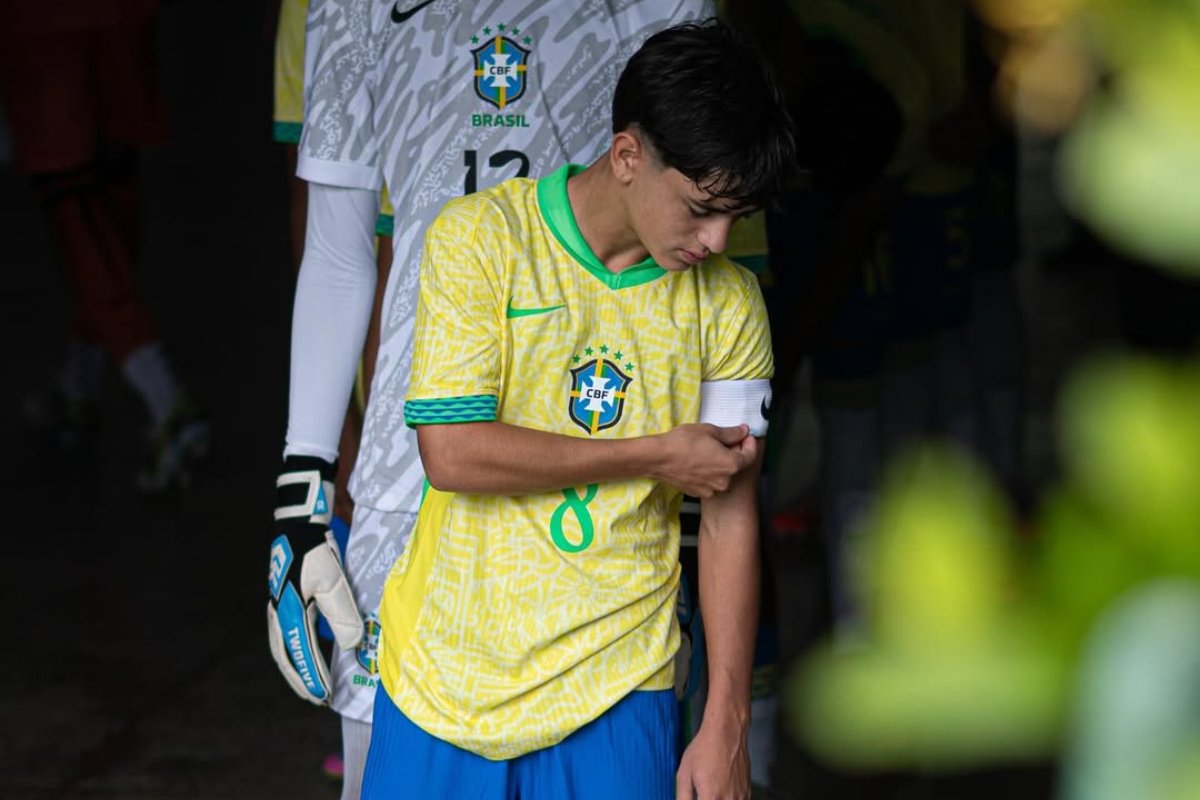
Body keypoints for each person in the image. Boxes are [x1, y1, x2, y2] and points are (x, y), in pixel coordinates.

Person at [265, 2, 715, 797]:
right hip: (411, 469)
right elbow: (338, 251)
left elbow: (686, 231)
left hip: (600, 466)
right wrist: (302, 495)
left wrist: (684, 522)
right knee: (380, 769)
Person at [359, 19, 795, 800]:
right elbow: (452, 454)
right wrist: (654, 455)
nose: (717, 239)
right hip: (444, 675)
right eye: (700, 208)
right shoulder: (483, 240)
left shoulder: (729, 304)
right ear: (627, 156)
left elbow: (730, 515)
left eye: (736, 215)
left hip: (620, 683)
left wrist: (725, 723)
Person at [0, 1, 209, 489]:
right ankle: (82, 382)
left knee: (71, 194)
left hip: (42, 21)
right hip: (120, 14)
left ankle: (165, 400)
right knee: (110, 184)